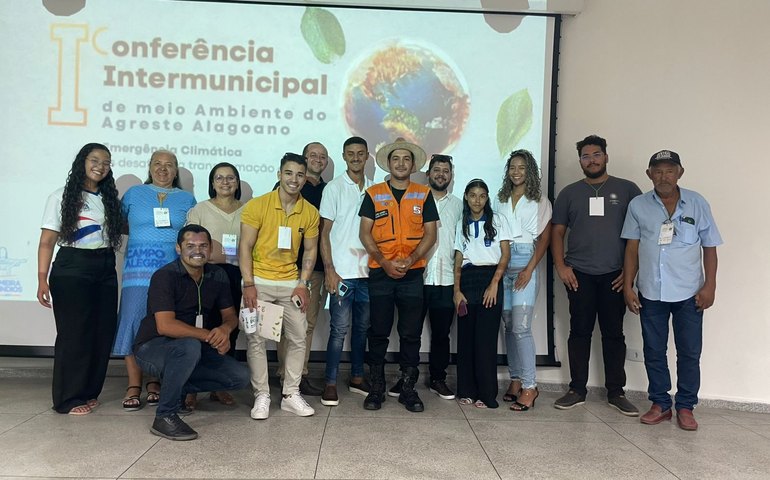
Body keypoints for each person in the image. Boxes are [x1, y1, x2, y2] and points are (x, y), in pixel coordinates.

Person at [622, 150, 722, 431]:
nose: (663, 176)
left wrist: (710, 285)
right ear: (649, 174)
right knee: (654, 351)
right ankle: (660, 404)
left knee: (689, 352)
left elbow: (710, 247)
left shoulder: (697, 203)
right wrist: (628, 286)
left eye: (669, 170)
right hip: (651, 291)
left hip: (690, 293)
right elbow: (632, 249)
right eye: (658, 171)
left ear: (680, 172)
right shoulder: (638, 205)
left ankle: (686, 406)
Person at [550, 135, 641, 416]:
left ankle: (616, 392)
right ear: (580, 161)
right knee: (579, 332)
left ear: (606, 156)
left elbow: (639, 236)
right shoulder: (569, 193)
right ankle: (577, 389)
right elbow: (557, 232)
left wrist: (630, 273)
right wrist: (561, 266)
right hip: (579, 274)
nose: (591, 160)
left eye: (596, 154)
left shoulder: (628, 189)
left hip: (615, 275)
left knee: (614, 334)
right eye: (586, 156)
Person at [133, 224, 250, 441]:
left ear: (211, 249)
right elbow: (165, 326)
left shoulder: (217, 274)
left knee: (239, 377)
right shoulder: (164, 276)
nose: (198, 250)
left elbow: (230, 315)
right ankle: (165, 416)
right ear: (178, 248)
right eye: (190, 246)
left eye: (203, 245)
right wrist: (208, 336)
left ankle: (177, 389)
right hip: (153, 347)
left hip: (192, 348)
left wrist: (224, 330)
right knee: (189, 345)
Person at [37, 143, 124, 415]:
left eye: (106, 162)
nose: (100, 166)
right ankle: (68, 398)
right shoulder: (61, 196)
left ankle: (88, 392)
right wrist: (42, 278)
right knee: (75, 334)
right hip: (73, 267)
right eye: (95, 160)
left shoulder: (109, 198)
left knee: (102, 332)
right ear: (82, 162)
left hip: (105, 266)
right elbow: (47, 241)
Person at [358, 137, 438, 412]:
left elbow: (431, 234)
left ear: (413, 165)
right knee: (378, 332)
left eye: (406, 159)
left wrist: (411, 259)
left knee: (411, 334)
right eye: (396, 159)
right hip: (380, 273)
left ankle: (408, 389)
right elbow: (364, 233)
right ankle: (376, 388)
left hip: (412, 274)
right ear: (388, 164)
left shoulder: (423, 194)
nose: (401, 163)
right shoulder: (374, 194)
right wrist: (383, 261)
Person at [113, 150, 196, 411]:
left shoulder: (187, 199)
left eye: (169, 165)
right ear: (149, 167)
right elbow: (120, 224)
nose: (163, 169)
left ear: (176, 170)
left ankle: (155, 381)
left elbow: (190, 236)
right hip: (137, 272)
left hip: (172, 274)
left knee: (165, 326)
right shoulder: (134, 194)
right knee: (133, 322)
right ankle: (133, 385)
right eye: (157, 164)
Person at [240, 152, 320, 419]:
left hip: (290, 283)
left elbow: (310, 251)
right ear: (279, 175)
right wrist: (249, 284)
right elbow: (245, 246)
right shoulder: (258, 205)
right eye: (288, 173)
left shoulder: (309, 212)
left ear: (305, 179)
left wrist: (303, 284)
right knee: (256, 339)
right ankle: (262, 395)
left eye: (299, 175)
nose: (294, 179)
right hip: (259, 281)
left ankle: (290, 394)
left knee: (298, 336)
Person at [492, 149, 552, 411]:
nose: (516, 172)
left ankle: (530, 386)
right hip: (502, 262)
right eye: (512, 167)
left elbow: (545, 239)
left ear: (531, 171)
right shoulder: (500, 199)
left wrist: (529, 269)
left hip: (525, 260)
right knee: (508, 325)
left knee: (521, 327)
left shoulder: (540, 200)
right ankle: (515, 379)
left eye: (522, 167)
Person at [183, 162, 245, 410]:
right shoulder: (200, 209)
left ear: (237, 182)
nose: (225, 182)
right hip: (206, 275)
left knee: (231, 328)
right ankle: (192, 387)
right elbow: (189, 244)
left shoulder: (249, 210)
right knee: (201, 327)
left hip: (237, 275)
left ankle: (220, 385)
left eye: (230, 178)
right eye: (219, 178)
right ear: (212, 183)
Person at [318, 137, 373, 406]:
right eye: (350, 153)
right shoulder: (334, 188)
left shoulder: (375, 189)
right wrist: (329, 269)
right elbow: (324, 233)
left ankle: (357, 377)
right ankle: (330, 382)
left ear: (367, 156)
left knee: (362, 329)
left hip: (369, 274)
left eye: (360, 153)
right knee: (339, 330)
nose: (355, 158)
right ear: (343, 156)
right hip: (342, 273)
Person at [274, 142, 329, 396]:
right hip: (283, 268)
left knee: (306, 324)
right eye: (313, 155)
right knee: (285, 325)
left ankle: (299, 375)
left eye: (322, 156)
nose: (318, 159)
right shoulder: (287, 186)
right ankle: (284, 374)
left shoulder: (329, 190)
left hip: (314, 269)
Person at [405, 153, 462, 401]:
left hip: (446, 280)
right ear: (428, 174)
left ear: (451, 176)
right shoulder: (415, 199)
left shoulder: (459, 206)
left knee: (441, 335)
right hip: (417, 278)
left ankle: (438, 379)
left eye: (446, 171)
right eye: (437, 170)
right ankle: (407, 379)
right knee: (411, 333)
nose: (441, 175)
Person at [453, 179, 512, 409]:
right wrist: (457, 290)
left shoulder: (498, 220)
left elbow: (505, 255)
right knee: (466, 339)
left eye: (482, 196)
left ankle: (486, 394)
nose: (477, 200)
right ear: (466, 197)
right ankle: (466, 390)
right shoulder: (461, 223)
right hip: (468, 280)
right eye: (473, 195)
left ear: (487, 198)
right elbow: (458, 259)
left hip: (490, 278)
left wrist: (494, 283)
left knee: (485, 340)